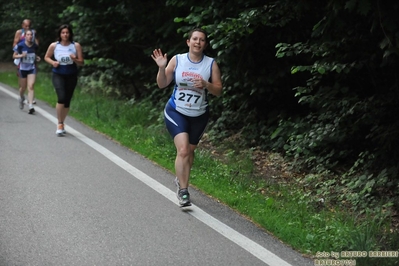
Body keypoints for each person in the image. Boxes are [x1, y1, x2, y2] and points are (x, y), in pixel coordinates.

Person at [151, 28, 223, 207]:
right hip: (176, 111)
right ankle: (184, 191)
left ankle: (180, 179)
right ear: (188, 42)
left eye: (202, 40)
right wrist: (161, 68)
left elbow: (219, 91)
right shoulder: (178, 60)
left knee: (190, 153)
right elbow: (162, 84)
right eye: (195, 39)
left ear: (205, 44)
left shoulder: (211, 64)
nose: (198, 42)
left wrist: (206, 84)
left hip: (199, 115)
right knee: (183, 150)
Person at [44, 24, 84, 136]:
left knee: (67, 100)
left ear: (70, 34)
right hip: (58, 74)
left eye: (67, 32)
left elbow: (81, 62)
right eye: (63, 32)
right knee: (61, 97)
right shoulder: (54, 45)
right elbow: (46, 57)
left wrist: (74, 58)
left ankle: (62, 122)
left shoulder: (76, 46)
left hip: (71, 74)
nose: (65, 34)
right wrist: (53, 62)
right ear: (60, 34)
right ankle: (60, 123)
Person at [13, 29, 40, 114]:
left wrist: (37, 58)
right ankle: (21, 97)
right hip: (22, 68)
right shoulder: (20, 45)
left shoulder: (34, 45)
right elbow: (14, 56)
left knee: (31, 86)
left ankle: (31, 105)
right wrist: (21, 55)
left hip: (32, 68)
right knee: (23, 88)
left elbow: (34, 54)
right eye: (28, 35)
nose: (30, 36)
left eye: (31, 35)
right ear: (25, 36)